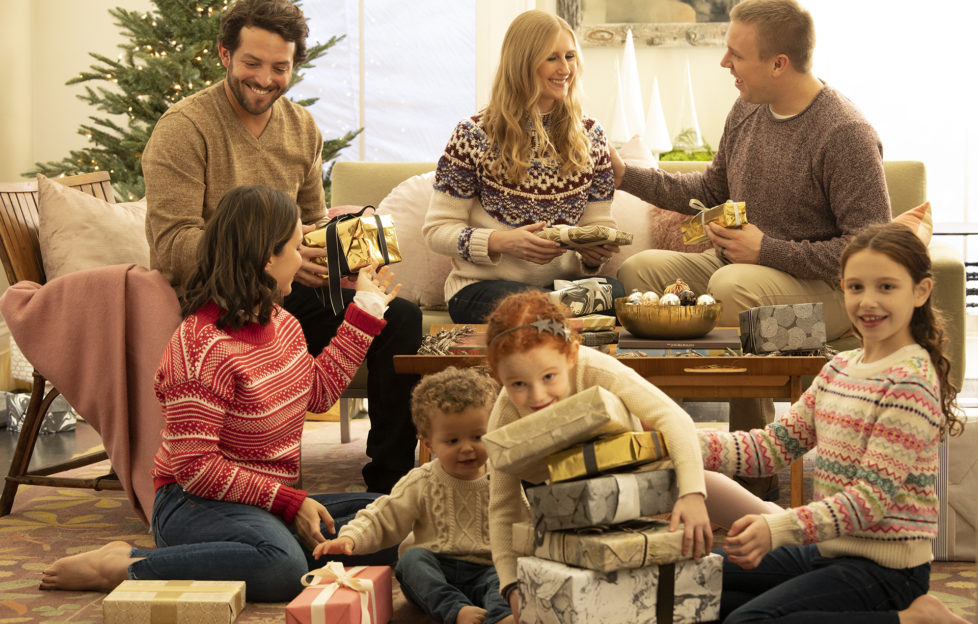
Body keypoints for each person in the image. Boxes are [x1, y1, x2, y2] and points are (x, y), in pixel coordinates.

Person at [38, 186, 401, 601]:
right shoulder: (199, 347)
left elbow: (316, 395)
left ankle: (248, 549)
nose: (301, 260)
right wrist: (289, 502)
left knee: (388, 518)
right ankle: (128, 564)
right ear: (267, 257)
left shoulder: (283, 323)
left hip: (263, 502)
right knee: (283, 568)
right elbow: (196, 468)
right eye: (297, 248)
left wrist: (364, 314)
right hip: (192, 502)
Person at [609, 0, 891, 499]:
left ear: (778, 63)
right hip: (743, 268)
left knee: (730, 286)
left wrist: (768, 250)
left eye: (735, 54)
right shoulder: (748, 110)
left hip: (827, 293)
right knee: (639, 273)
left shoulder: (845, 133)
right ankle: (667, 439)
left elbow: (872, 252)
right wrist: (627, 177)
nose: (725, 64)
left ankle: (754, 458)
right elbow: (710, 188)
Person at [141, 0, 422, 494]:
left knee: (400, 318)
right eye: (252, 63)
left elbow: (313, 222)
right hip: (221, 300)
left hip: (286, 291)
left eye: (280, 67)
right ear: (224, 54)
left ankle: (389, 484)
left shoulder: (302, 128)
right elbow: (171, 246)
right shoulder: (183, 129)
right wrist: (266, 257)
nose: (265, 79)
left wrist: (332, 253)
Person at [698, 222, 967, 623]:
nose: (868, 301)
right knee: (691, 587)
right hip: (826, 549)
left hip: (887, 572)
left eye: (886, 287)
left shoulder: (910, 382)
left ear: (921, 291)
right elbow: (772, 448)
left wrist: (777, 529)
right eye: (856, 287)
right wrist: (682, 440)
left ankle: (914, 619)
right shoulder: (839, 368)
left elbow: (869, 500)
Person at [484, 290, 711, 621]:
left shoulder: (597, 368)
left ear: (571, 355)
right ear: (498, 376)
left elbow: (673, 418)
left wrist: (692, 493)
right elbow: (503, 507)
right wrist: (511, 586)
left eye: (549, 377)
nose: (537, 395)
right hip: (561, 508)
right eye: (517, 384)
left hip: (632, 486)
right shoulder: (504, 413)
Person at [423, 9, 625, 324]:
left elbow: (601, 224)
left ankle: (546, 313)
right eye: (552, 58)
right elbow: (437, 231)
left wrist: (592, 254)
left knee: (616, 293)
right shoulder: (472, 135)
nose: (565, 69)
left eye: (570, 56)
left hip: (559, 287)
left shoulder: (591, 136)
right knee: (525, 304)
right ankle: (553, 315)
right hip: (483, 287)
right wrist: (503, 242)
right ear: (522, 64)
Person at [314, 367, 513, 624]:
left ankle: (500, 616)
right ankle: (456, 610)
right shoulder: (422, 481)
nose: (467, 448)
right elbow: (383, 515)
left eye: (478, 436)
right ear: (429, 443)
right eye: (452, 441)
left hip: (488, 568)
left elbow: (523, 519)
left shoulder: (502, 477)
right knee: (410, 561)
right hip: (436, 569)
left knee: (510, 574)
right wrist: (350, 538)